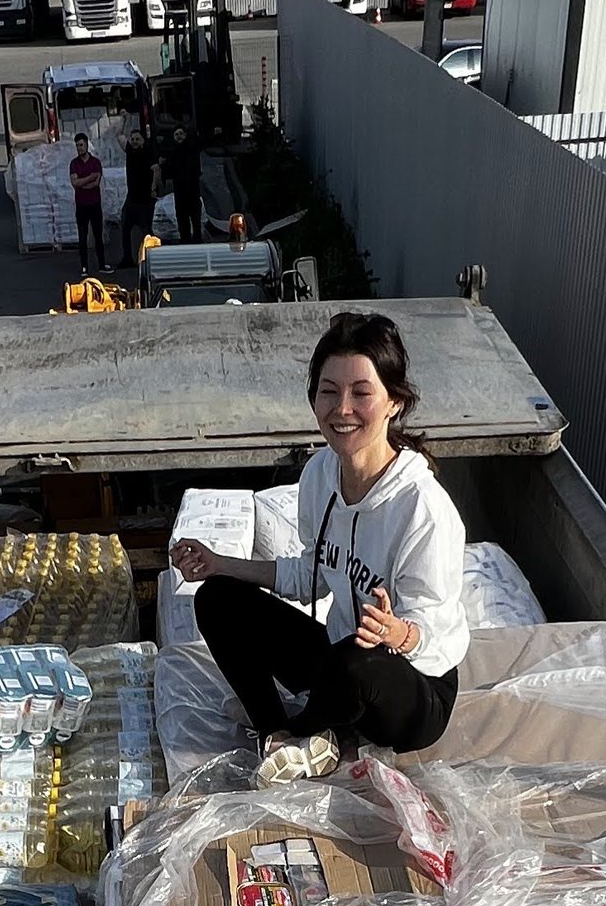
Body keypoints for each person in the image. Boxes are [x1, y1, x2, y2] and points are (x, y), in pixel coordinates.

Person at [174, 308, 468, 778]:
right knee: (218, 600)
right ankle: (279, 734)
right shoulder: (319, 475)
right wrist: (220, 565)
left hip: (410, 691)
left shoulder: (422, 508)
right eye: (328, 392)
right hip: (339, 663)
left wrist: (398, 633)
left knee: (357, 660)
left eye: (361, 393)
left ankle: (311, 733)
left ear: (394, 401)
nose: (342, 409)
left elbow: (435, 631)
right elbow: (308, 575)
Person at [163, 112, 205, 242]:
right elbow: (168, 171)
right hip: (180, 190)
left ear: (185, 135)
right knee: (182, 217)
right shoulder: (171, 152)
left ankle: (197, 238)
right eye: (176, 135)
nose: (179, 137)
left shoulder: (192, 149)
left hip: (193, 189)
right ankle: (185, 239)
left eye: (181, 134)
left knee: (195, 217)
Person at [120, 124, 156, 269]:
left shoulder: (147, 152)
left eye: (137, 139)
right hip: (131, 197)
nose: (134, 141)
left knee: (146, 231)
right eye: (133, 139)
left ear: (143, 140)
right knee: (125, 228)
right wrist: (123, 119)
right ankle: (127, 258)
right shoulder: (130, 151)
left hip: (145, 198)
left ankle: (150, 260)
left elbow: (156, 170)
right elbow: (119, 136)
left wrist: (153, 188)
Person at [68, 134, 106, 271]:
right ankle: (84, 266)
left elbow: (96, 183)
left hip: (94, 203)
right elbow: (74, 183)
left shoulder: (96, 162)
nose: (79, 148)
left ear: (86, 145)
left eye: (81, 145)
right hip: (81, 205)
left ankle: (102, 264)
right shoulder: (74, 163)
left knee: (98, 236)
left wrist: (82, 183)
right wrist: (89, 177)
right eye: (77, 146)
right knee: (82, 237)